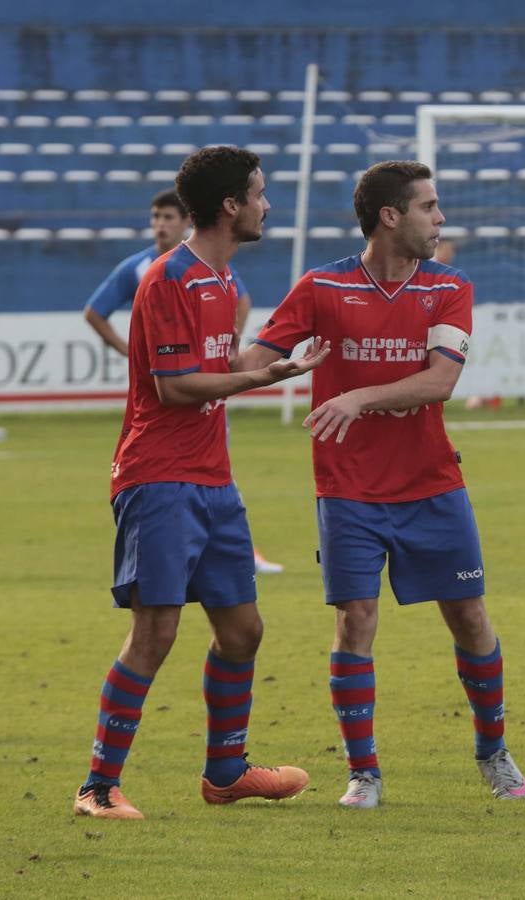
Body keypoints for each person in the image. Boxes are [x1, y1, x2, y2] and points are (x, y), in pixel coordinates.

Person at [239, 161, 525, 809]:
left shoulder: (449, 286)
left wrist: (357, 397)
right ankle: (364, 773)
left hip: (431, 484)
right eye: (429, 206)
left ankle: (493, 751)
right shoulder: (320, 287)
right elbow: (250, 364)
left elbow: (439, 381)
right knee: (355, 620)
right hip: (347, 488)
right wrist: (280, 366)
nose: (441, 218)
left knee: (469, 616)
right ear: (390, 217)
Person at [72, 146, 332, 820]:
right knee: (155, 634)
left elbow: (225, 363)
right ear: (230, 206)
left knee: (243, 630)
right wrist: (261, 378)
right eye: (260, 194)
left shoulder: (224, 285)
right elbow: (176, 386)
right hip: (158, 479)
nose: (266, 206)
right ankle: (97, 788)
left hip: (213, 481)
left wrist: (281, 349)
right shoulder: (168, 280)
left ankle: (225, 773)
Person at [83, 189, 285, 575]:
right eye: (156, 217)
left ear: (186, 220)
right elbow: (94, 311)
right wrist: (131, 351)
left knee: (243, 631)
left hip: (204, 405)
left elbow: (241, 300)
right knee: (158, 621)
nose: (160, 224)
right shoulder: (147, 269)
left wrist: (227, 345)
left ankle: (237, 548)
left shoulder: (217, 267)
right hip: (161, 448)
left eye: (168, 217)